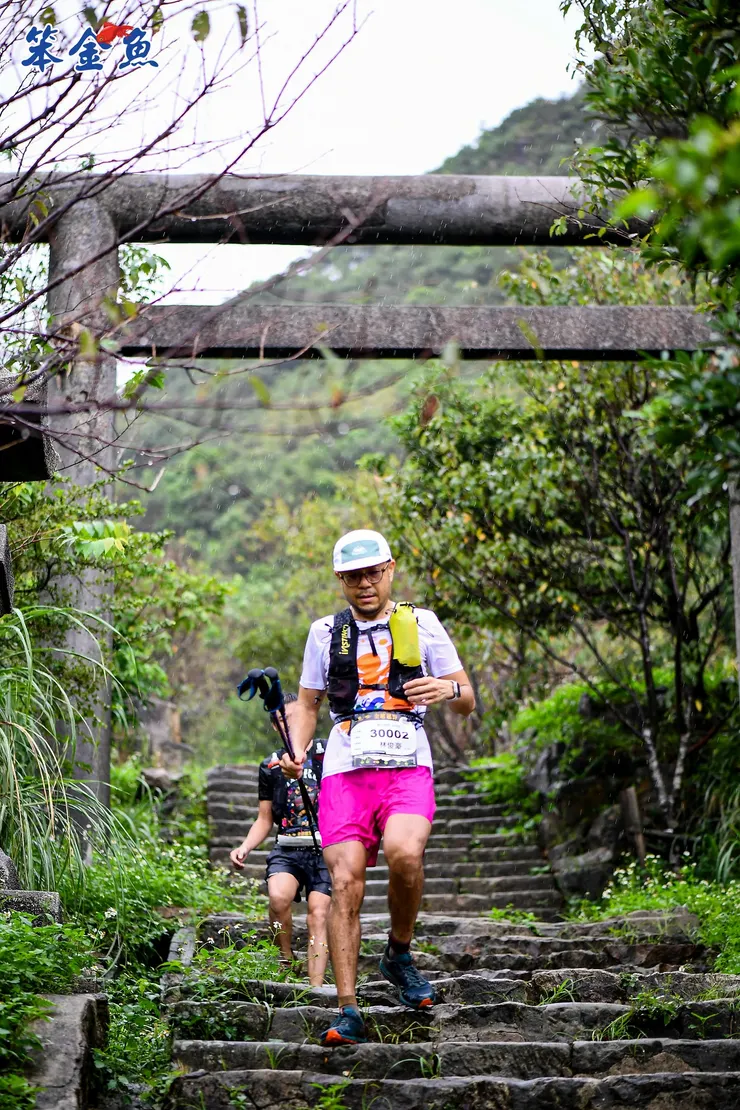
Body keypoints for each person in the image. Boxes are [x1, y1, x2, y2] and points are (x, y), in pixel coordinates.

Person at [280, 529, 474, 1044]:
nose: (365, 584)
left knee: (405, 854)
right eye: (353, 577)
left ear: (390, 569)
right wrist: (298, 751)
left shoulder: (422, 624)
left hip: (408, 763)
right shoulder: (325, 633)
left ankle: (398, 953)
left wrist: (447, 687)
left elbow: (467, 698)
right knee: (344, 883)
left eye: (373, 573)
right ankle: (348, 1010)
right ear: (340, 580)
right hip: (345, 771)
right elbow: (308, 704)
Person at [230, 693, 331, 987]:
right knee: (277, 898)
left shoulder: (328, 753)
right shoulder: (271, 765)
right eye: (281, 722)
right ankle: (285, 960)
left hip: (323, 851)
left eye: (293, 718)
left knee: (318, 914)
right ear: (275, 727)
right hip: (287, 848)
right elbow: (264, 818)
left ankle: (316, 987)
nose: (288, 726)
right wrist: (245, 846)